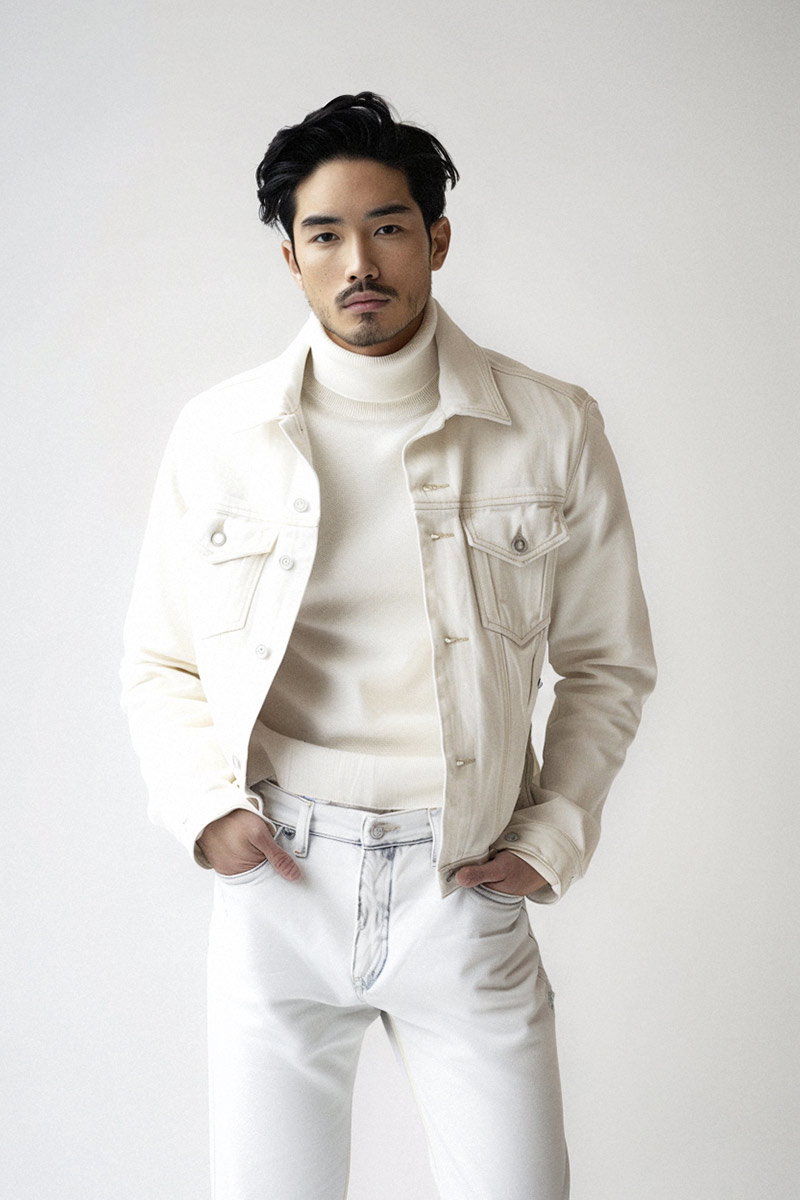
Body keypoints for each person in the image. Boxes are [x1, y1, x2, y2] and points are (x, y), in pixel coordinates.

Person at [121, 91, 656, 1200]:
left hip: (461, 882)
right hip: (280, 879)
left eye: (388, 227)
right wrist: (204, 810)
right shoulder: (219, 434)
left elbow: (606, 662)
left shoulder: (551, 425)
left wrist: (551, 835)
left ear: (436, 239)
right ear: (291, 259)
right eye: (324, 234)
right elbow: (160, 661)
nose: (358, 261)